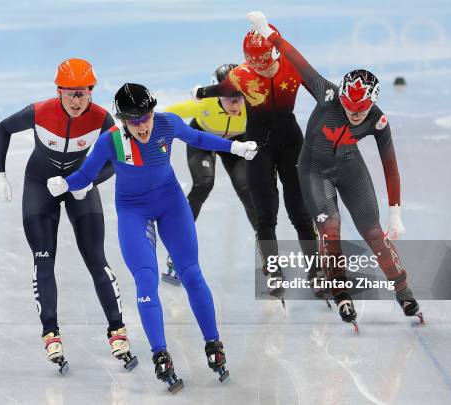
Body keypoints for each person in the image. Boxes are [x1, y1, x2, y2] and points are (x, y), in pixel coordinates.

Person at [46, 83, 257, 391]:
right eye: (134, 121)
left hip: (171, 204)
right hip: (134, 212)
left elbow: (197, 137)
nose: (142, 126)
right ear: (122, 122)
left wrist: (235, 147)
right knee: (146, 280)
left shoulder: (167, 123)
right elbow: (86, 175)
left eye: (146, 117)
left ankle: (213, 343)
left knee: (191, 273)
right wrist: (64, 184)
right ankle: (160, 353)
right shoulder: (112, 142)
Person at [246, 11, 423, 330]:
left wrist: (395, 211)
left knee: (374, 233)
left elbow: (390, 166)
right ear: (341, 97)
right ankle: (340, 289)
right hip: (313, 170)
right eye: (350, 108)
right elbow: (297, 60)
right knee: (331, 230)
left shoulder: (378, 120)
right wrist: (267, 32)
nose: (355, 115)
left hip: (349, 167)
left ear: (372, 104)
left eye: (361, 110)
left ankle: (403, 289)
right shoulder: (327, 92)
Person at [0, 58, 137, 373]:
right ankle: (50, 331)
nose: (75, 101)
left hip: (79, 185)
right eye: (69, 93)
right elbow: (3, 128)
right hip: (39, 186)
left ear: (92, 92)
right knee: (43, 259)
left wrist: (89, 182)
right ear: (58, 91)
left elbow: (119, 159)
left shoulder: (101, 119)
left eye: (82, 94)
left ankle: (117, 329)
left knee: (96, 259)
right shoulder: (39, 111)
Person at [193, 25, 318, 295]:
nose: (259, 69)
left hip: (291, 145)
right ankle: (272, 269)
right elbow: (222, 88)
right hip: (257, 148)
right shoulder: (241, 75)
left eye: (264, 62)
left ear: (275, 53)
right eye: (253, 63)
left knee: (300, 211)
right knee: (265, 215)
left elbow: (322, 93)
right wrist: (201, 93)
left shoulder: (293, 66)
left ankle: (316, 268)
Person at [161, 63, 256, 285]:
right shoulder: (204, 105)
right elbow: (168, 114)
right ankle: (178, 251)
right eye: (229, 97)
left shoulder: (253, 106)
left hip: (236, 142)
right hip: (202, 139)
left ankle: (268, 253)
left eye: (239, 97)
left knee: (247, 190)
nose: (235, 103)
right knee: (203, 185)